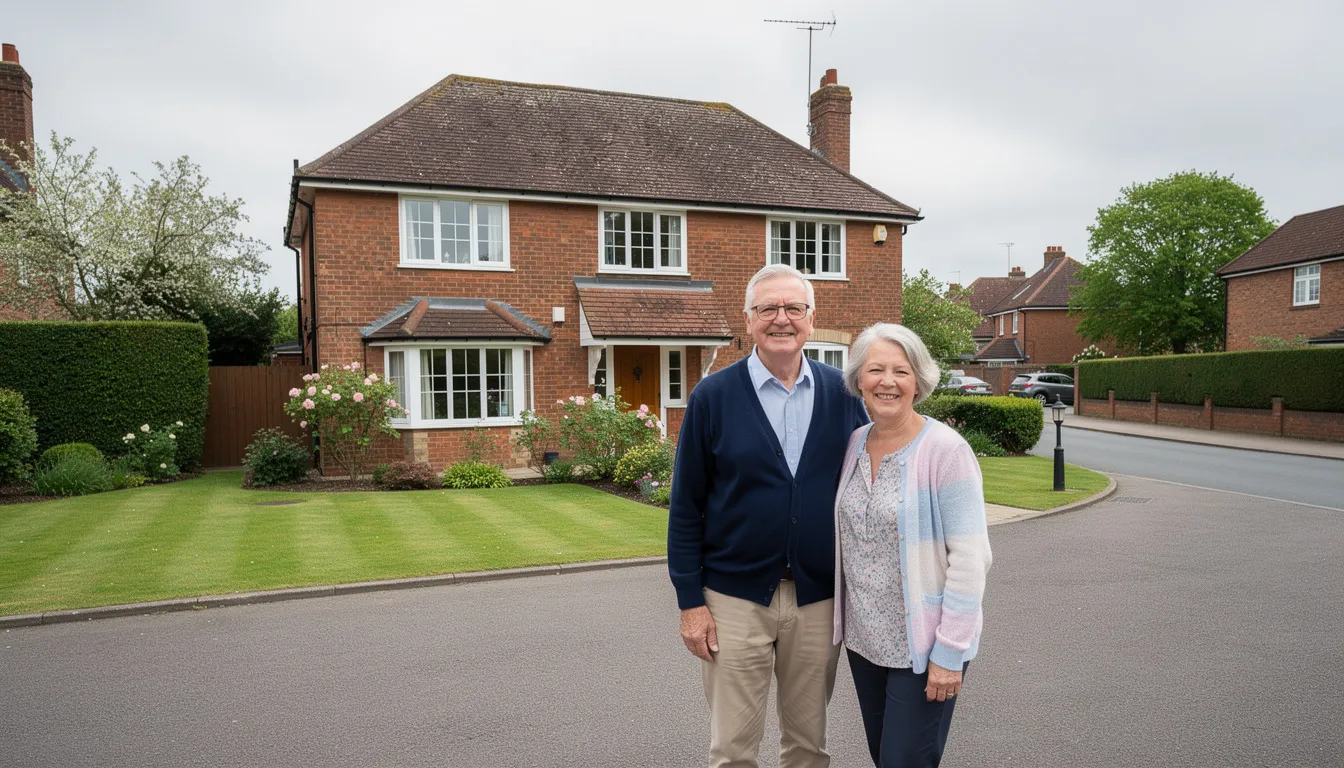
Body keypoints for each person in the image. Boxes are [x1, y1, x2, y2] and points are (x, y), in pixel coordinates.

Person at [668, 263, 869, 768]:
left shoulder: (843, 394)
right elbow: (686, 507)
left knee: (808, 746)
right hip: (733, 600)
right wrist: (690, 602)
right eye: (768, 309)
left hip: (817, 600)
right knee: (733, 749)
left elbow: (876, 480)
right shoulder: (712, 397)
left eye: (793, 308)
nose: (781, 318)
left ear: (811, 317)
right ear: (749, 318)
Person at [832, 323, 992, 768]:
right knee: (886, 757)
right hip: (865, 642)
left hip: (923, 645)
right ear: (858, 380)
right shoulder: (855, 443)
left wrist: (949, 653)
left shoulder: (946, 450)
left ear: (918, 381)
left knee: (905, 761)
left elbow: (971, 559)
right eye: (876, 369)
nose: (887, 381)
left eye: (900, 371)